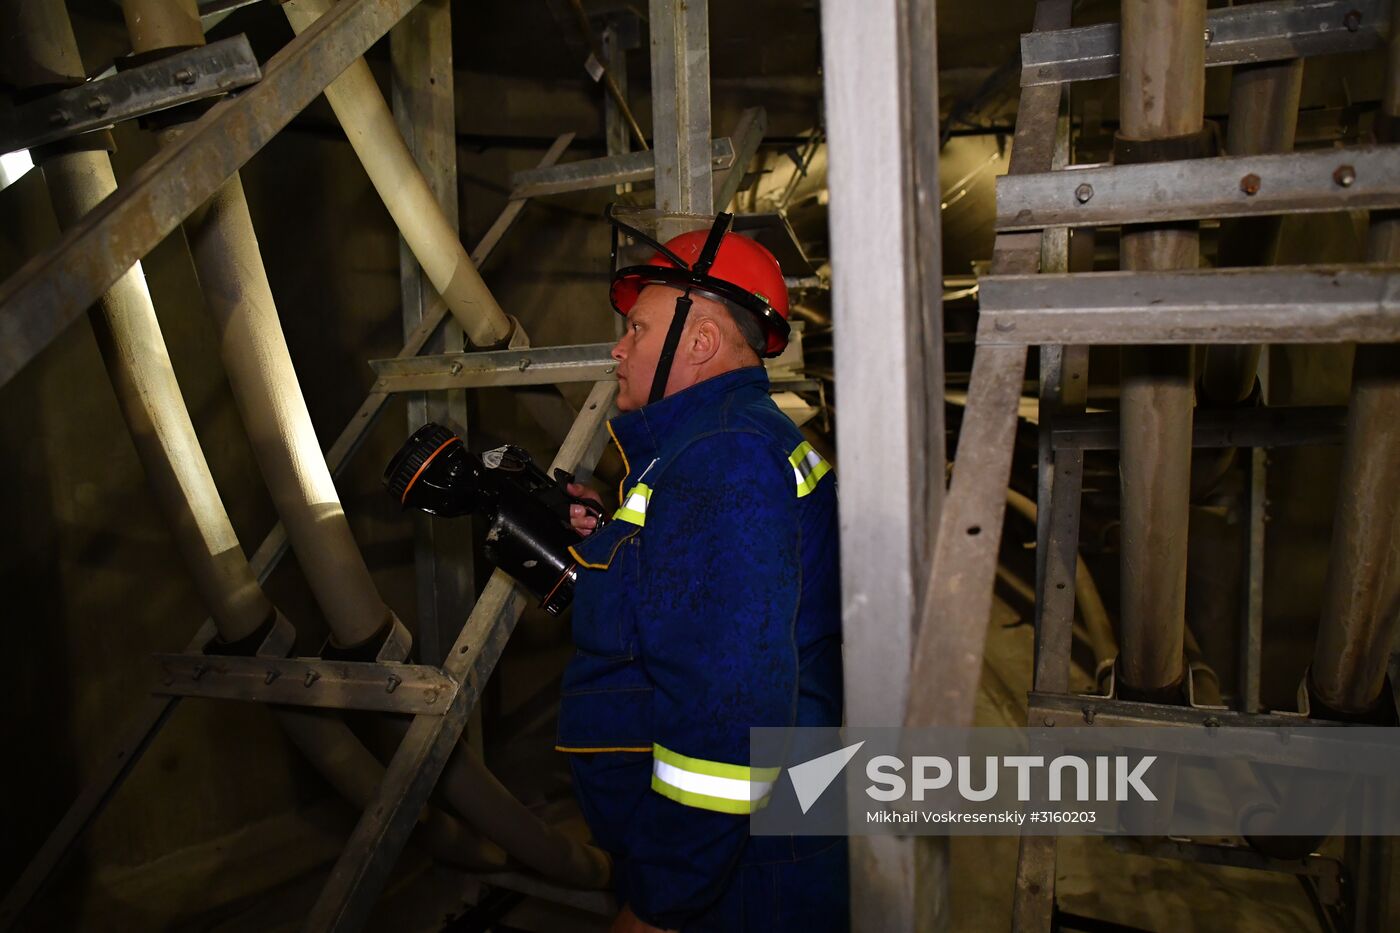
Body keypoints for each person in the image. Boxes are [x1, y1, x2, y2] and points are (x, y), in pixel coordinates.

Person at [556, 212, 847, 932]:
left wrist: (662, 903)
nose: (618, 349)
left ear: (702, 340)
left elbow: (728, 719)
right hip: (753, 851)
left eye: (638, 330)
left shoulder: (722, 461)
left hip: (736, 878)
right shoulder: (723, 447)